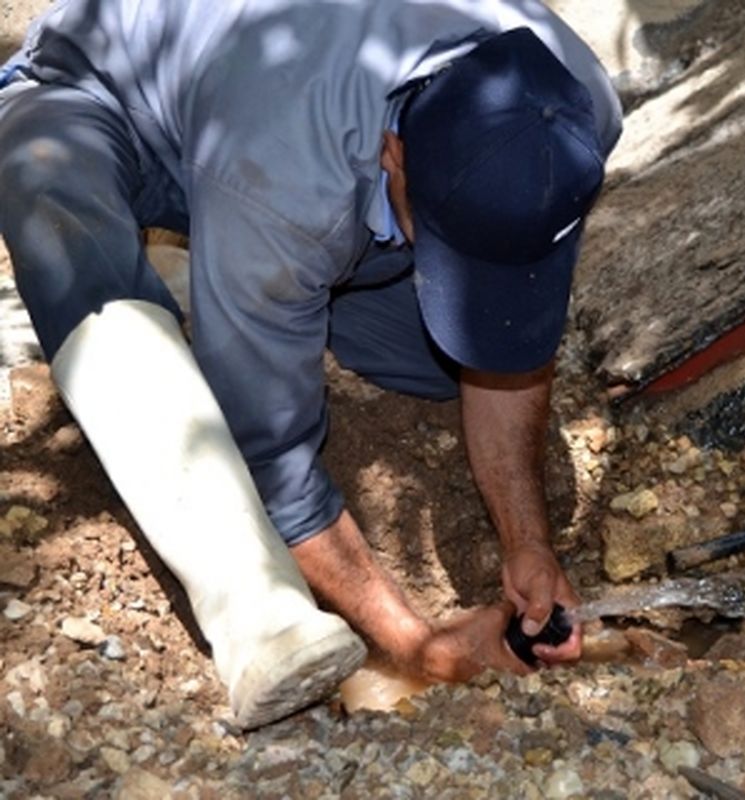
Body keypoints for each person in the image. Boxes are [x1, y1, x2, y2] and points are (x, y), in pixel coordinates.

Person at [0, 0, 622, 729]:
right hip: (100, 95)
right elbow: (272, 459)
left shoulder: (573, 106)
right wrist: (415, 646)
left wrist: (530, 544)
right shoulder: (285, 179)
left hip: (275, 164)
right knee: (59, 213)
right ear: (395, 157)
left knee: (444, 359)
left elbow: (509, 334)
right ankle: (246, 599)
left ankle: (242, 292)